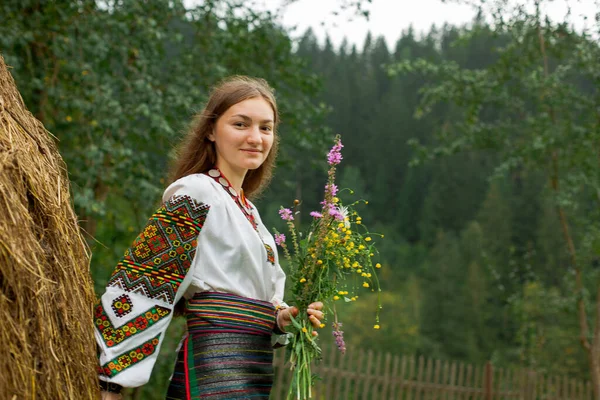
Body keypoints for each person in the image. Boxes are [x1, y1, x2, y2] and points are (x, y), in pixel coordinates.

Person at [96, 76, 324, 400]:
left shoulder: (251, 215)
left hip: (253, 374)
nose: (255, 138)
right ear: (211, 130)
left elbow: (253, 296)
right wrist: (111, 382)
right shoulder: (197, 192)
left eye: (265, 128)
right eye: (241, 124)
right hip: (210, 372)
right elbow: (144, 284)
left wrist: (281, 318)